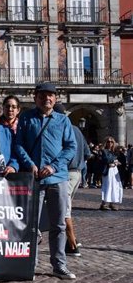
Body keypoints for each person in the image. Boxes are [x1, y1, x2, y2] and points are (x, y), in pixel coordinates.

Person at [14, 82, 77, 280]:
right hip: (35, 178)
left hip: (57, 178)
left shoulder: (63, 120)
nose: (46, 99)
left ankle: (59, 265)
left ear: (55, 99)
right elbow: (19, 145)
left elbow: (70, 147)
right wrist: (30, 164)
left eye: (50, 96)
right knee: (32, 225)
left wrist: (53, 166)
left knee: (58, 224)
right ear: (35, 98)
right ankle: (29, 265)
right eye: (42, 95)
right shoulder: (25, 118)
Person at [53, 103, 90, 257]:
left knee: (64, 210)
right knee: (66, 207)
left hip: (66, 173)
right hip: (78, 173)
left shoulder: (61, 127)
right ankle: (72, 239)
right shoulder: (77, 130)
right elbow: (88, 153)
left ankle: (72, 244)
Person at [100, 136, 123, 211]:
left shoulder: (114, 151)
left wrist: (114, 163)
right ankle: (103, 203)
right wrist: (114, 161)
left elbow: (120, 160)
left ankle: (112, 203)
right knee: (107, 186)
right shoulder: (104, 151)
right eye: (108, 142)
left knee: (115, 186)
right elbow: (107, 160)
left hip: (114, 170)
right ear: (106, 143)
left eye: (111, 142)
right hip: (108, 171)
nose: (110, 143)